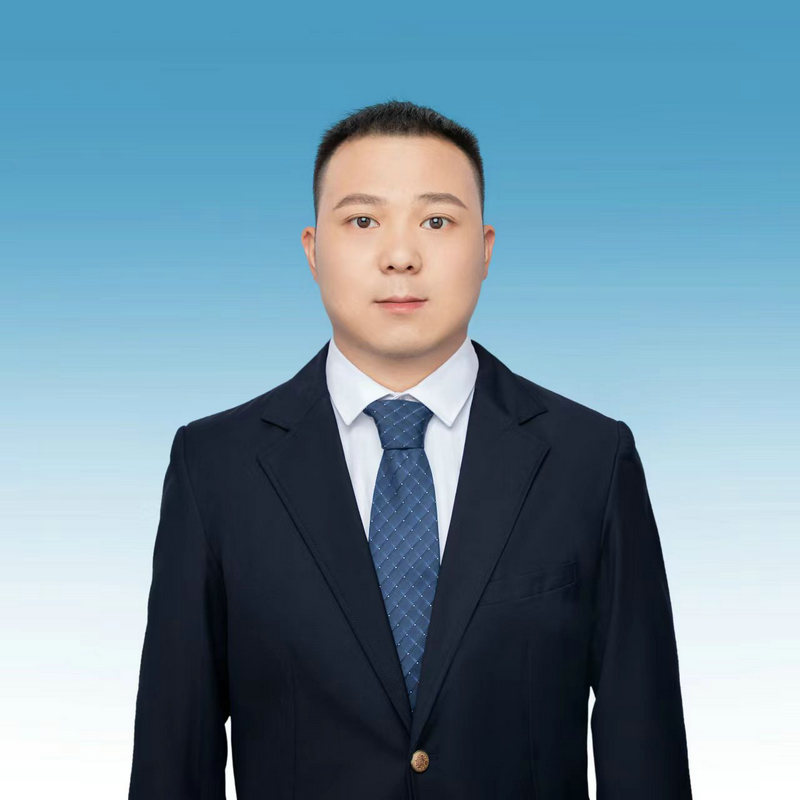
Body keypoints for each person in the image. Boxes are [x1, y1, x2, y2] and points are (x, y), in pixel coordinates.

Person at [128, 99, 693, 799]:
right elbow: (173, 758)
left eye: (436, 221)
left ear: (485, 249)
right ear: (312, 250)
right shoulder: (216, 468)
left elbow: (645, 749)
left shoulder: (591, 461)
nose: (400, 257)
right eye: (364, 221)